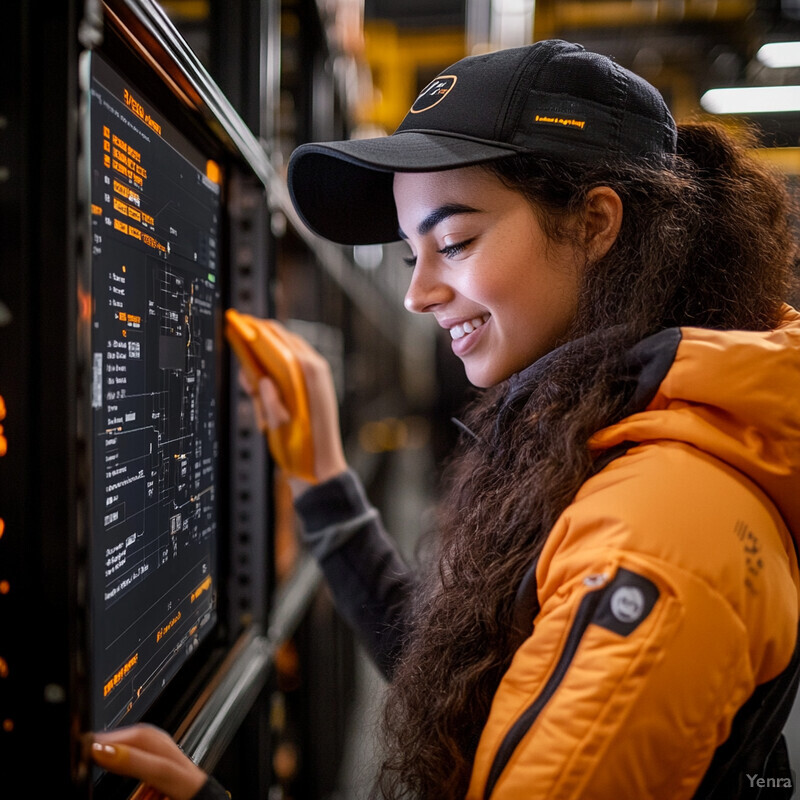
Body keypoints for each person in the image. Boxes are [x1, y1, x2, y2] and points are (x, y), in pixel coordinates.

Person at [89, 39, 800, 799]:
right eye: (410, 256)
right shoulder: (622, 425)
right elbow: (490, 686)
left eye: (455, 242)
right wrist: (324, 485)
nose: (417, 294)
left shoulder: (660, 529)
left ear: (596, 223)